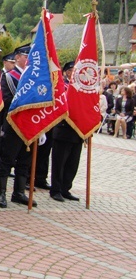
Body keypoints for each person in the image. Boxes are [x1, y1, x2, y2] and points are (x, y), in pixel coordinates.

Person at [0, 44, 39, 208]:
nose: (28, 59)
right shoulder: (9, 77)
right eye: (26, 56)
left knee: (24, 161)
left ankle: (19, 192)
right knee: (6, 160)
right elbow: (5, 101)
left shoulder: (35, 77)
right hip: (13, 124)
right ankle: (1, 193)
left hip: (30, 125)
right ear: (18, 57)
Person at [50, 61, 84, 202]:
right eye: (71, 70)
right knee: (59, 162)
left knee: (72, 163)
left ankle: (66, 188)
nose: (73, 73)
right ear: (67, 72)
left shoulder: (81, 89)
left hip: (78, 131)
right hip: (63, 130)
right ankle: (56, 190)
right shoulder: (62, 87)